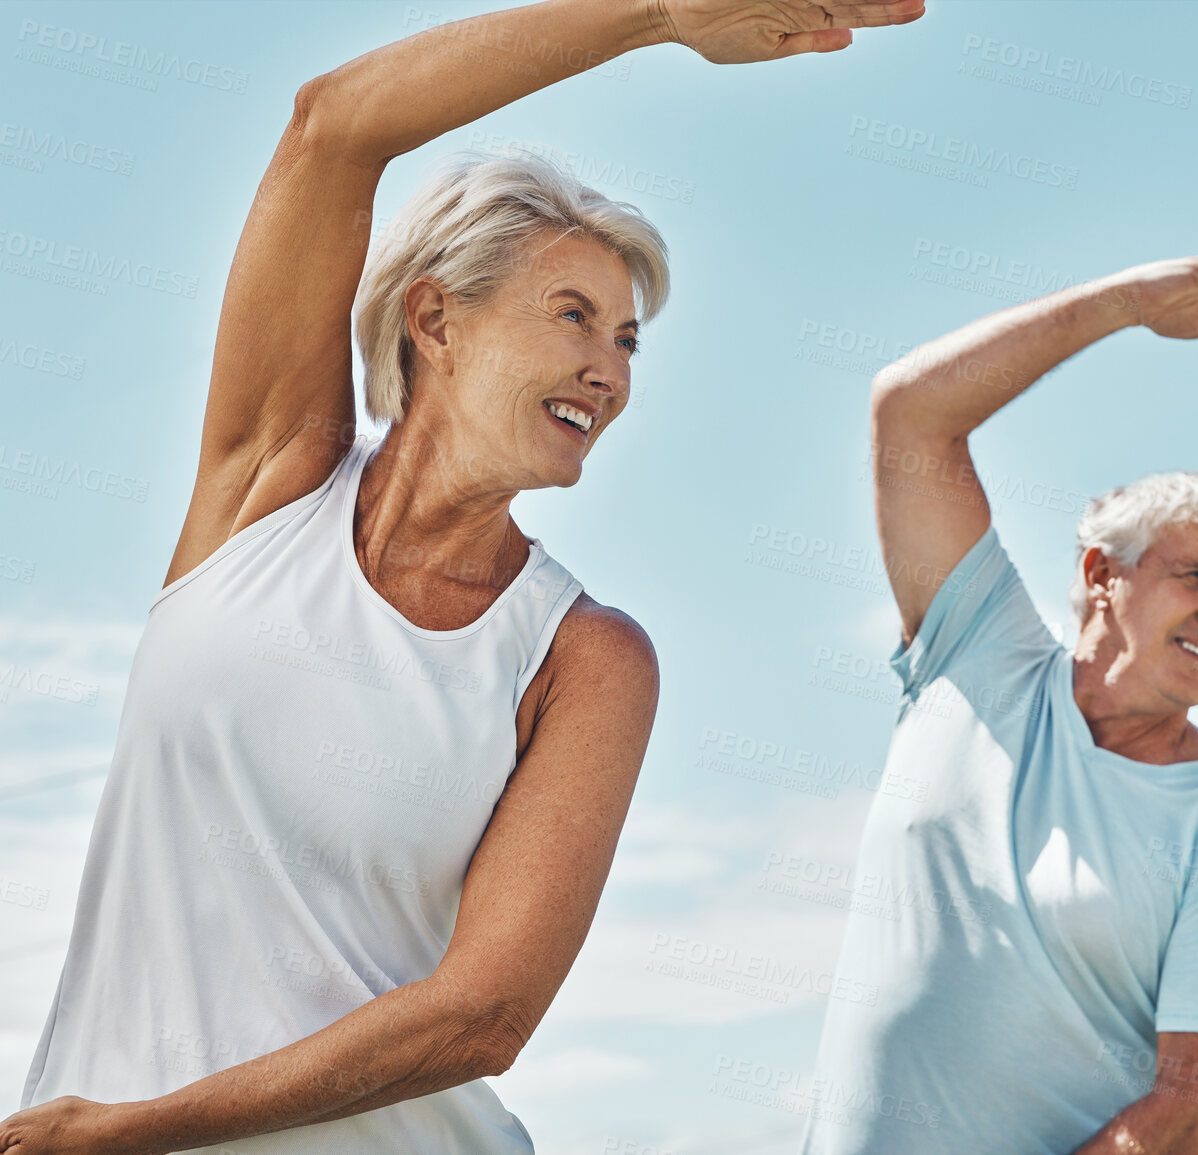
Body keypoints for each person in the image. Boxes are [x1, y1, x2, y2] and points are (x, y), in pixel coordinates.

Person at [2, 1, 924, 1152]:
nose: (608, 368)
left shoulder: (583, 658)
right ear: (437, 318)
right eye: (574, 316)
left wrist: (130, 1130)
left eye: (628, 341)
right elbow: (332, 128)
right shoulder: (265, 484)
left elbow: (481, 1017)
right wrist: (656, 15)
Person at [800, 256, 1198, 1155]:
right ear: (1099, 574)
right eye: (1196, 574)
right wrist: (1125, 303)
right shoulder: (978, 655)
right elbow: (911, 413)